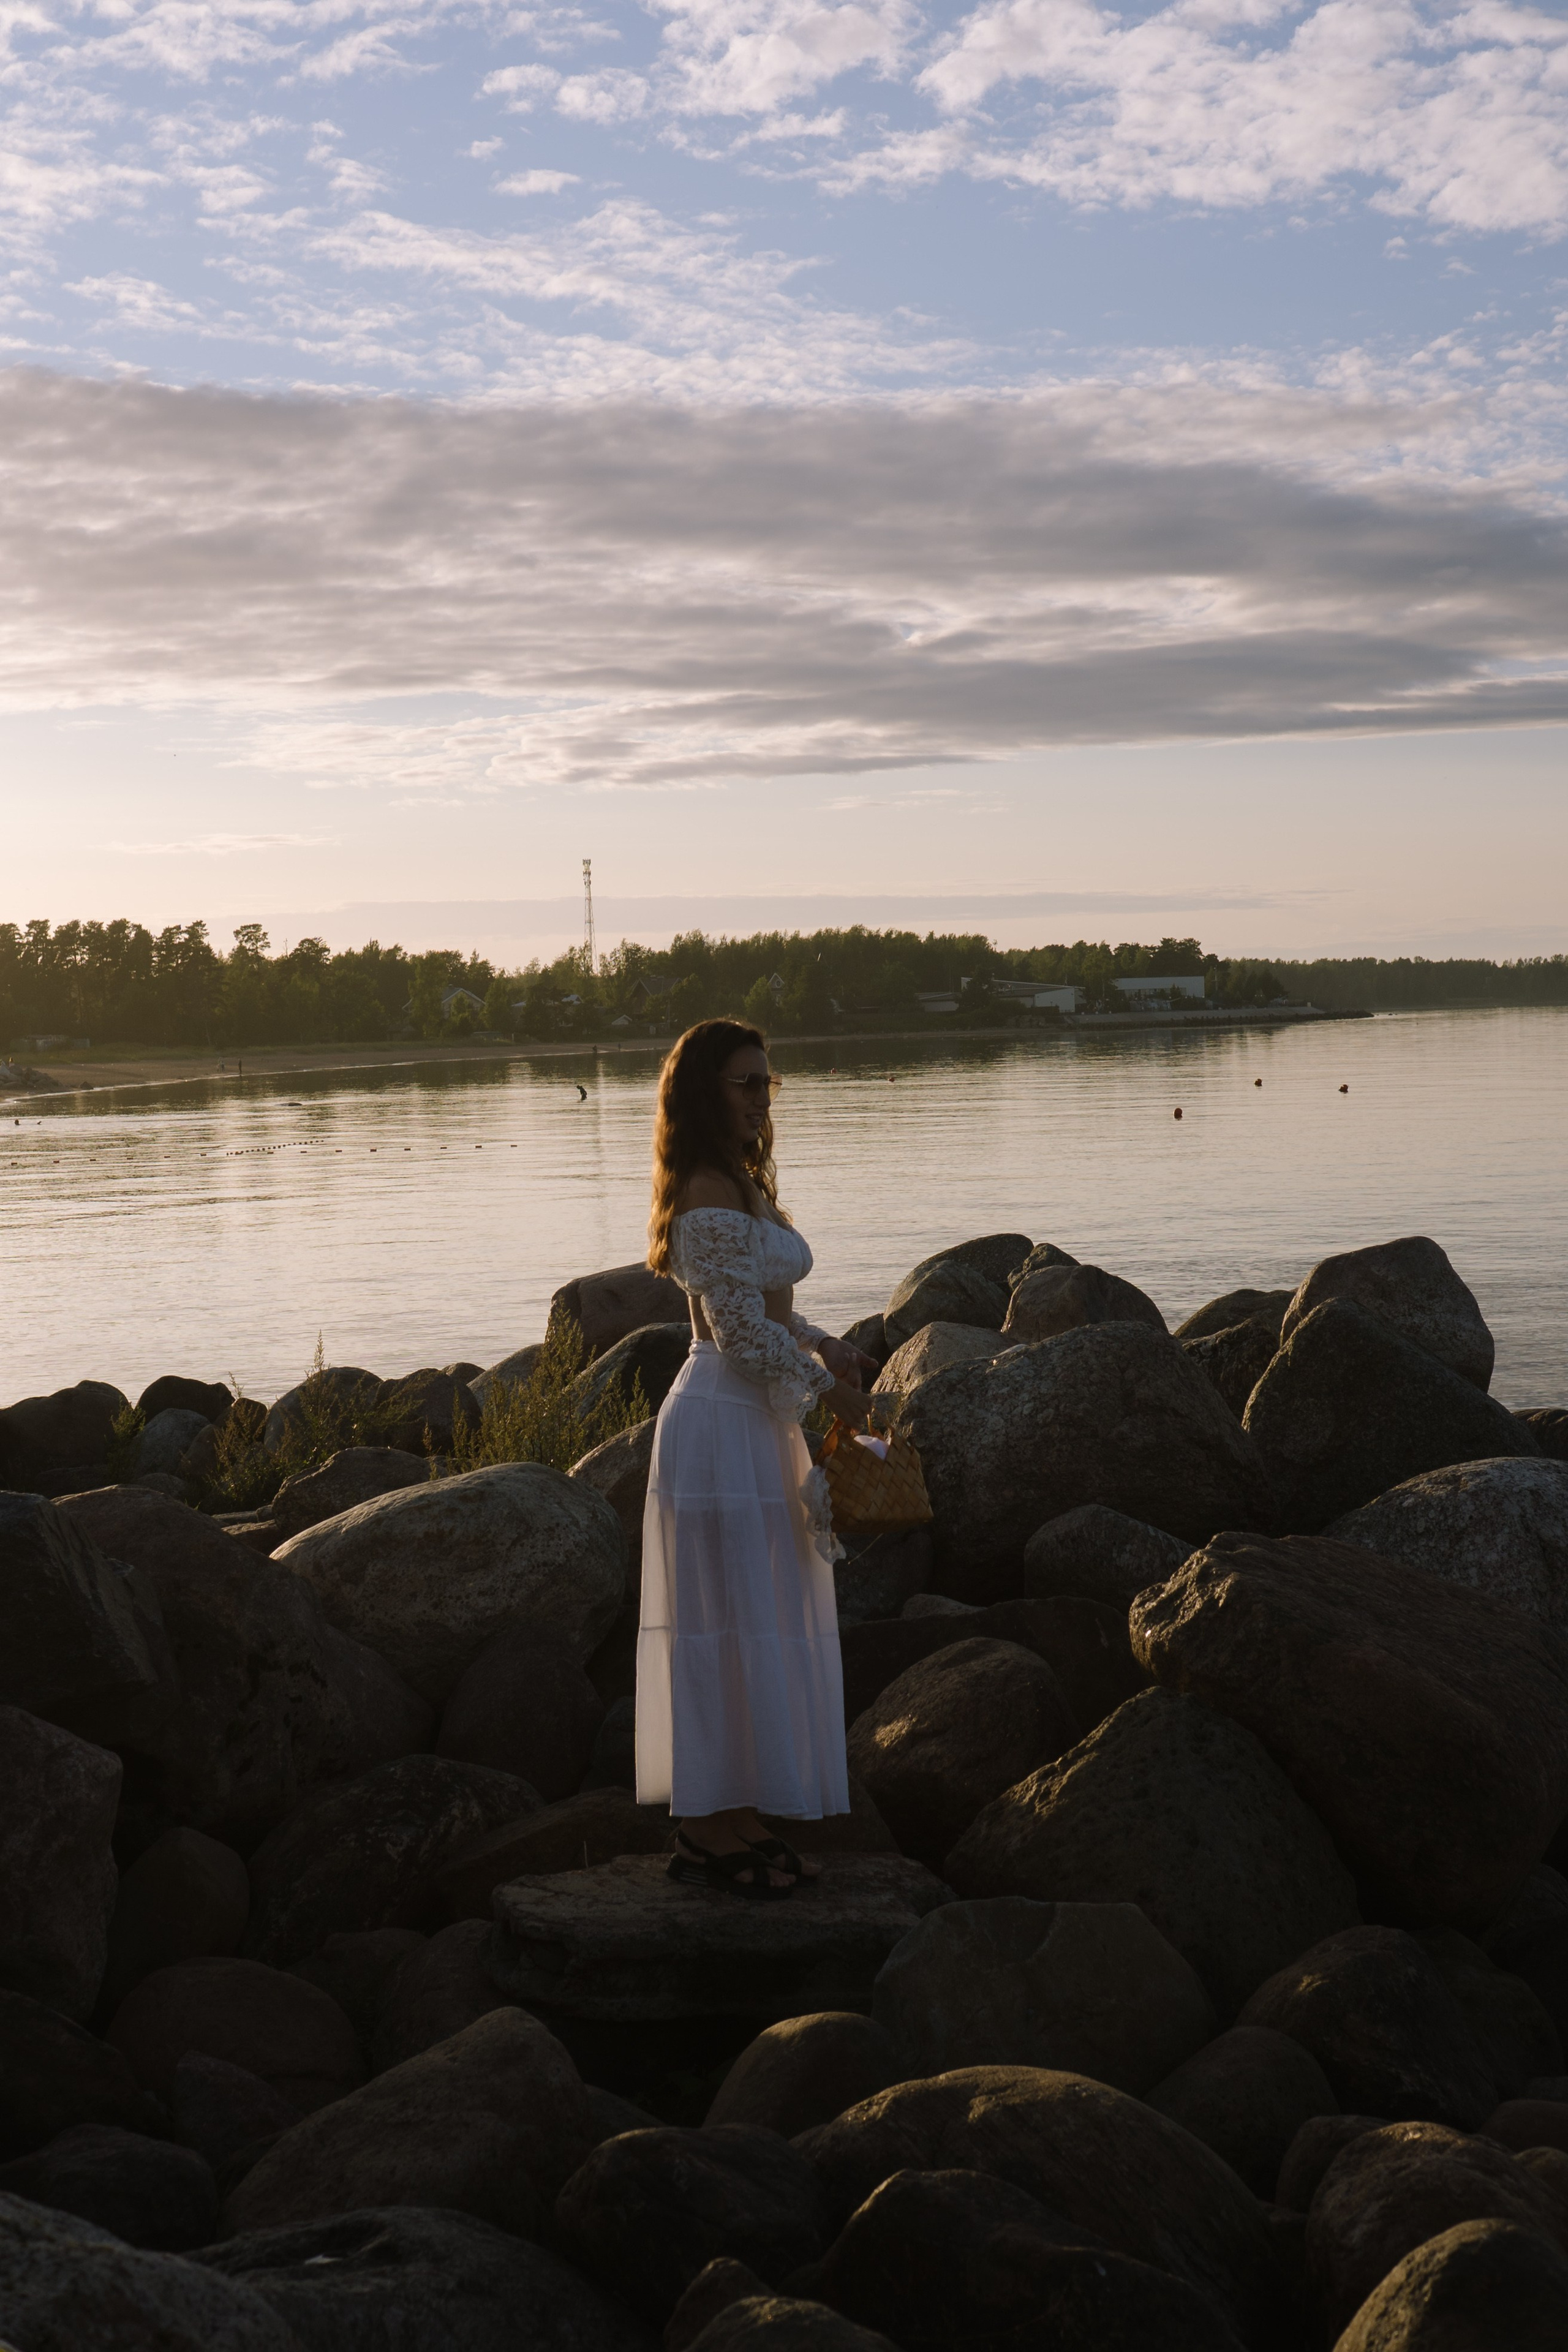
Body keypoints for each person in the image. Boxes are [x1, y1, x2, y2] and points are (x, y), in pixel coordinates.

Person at [636, 1019, 880, 1898]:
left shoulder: (739, 1183)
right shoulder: (704, 1190)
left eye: (765, 1083)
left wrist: (828, 1347)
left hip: (756, 1423)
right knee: (718, 1620)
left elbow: (770, 1312)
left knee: (755, 1613)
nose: (758, 1097)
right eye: (743, 1082)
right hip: (719, 1423)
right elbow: (736, 1334)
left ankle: (734, 1812)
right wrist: (832, 1398)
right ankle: (703, 1826)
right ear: (703, 1092)